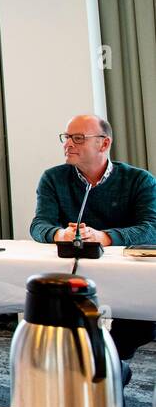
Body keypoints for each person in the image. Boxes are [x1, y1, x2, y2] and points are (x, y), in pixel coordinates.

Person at [30, 114, 156, 385]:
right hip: (75, 275)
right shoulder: (53, 178)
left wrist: (104, 237)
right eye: (66, 138)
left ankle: (110, 359)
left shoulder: (139, 180)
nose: (68, 145)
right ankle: (102, 365)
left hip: (127, 277)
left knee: (141, 315)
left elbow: (152, 227)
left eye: (78, 138)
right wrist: (60, 234)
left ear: (104, 143)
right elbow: (39, 225)